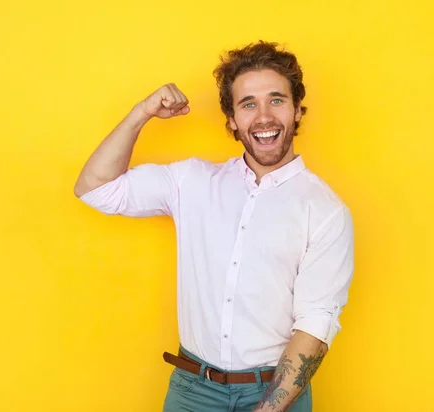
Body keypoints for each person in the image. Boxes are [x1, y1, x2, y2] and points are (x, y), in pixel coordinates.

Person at [73, 41, 354, 412]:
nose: (264, 116)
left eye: (276, 100)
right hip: (193, 390)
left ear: (297, 111)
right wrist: (142, 112)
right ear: (232, 121)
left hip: (276, 391)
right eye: (248, 104)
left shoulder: (325, 210)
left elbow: (315, 326)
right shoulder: (192, 181)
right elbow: (95, 188)